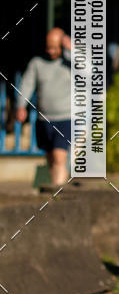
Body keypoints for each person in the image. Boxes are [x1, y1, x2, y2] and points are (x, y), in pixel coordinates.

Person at [15, 28, 72, 186]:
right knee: (50, 158)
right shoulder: (37, 63)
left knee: (59, 156)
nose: (51, 51)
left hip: (65, 117)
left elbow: (89, 71)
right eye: (48, 47)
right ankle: (56, 189)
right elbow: (26, 84)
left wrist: (73, 50)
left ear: (62, 45)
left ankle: (57, 192)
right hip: (44, 118)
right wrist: (21, 106)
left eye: (55, 47)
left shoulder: (71, 62)